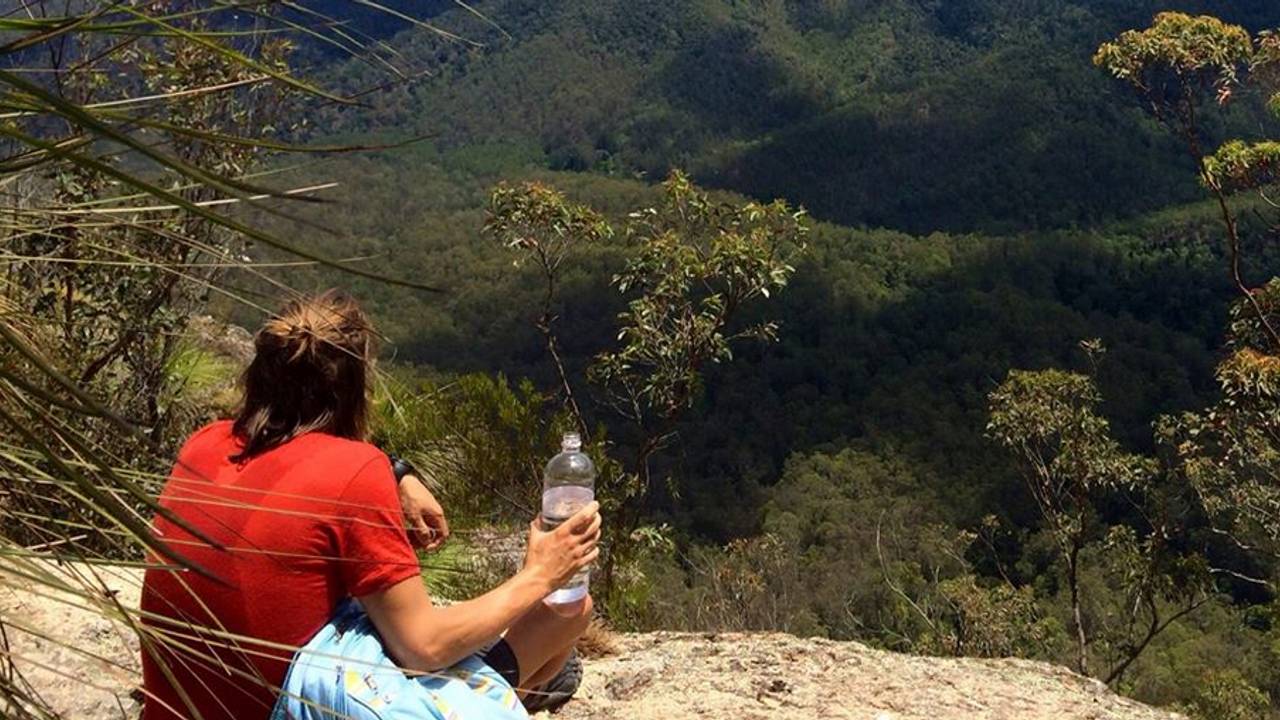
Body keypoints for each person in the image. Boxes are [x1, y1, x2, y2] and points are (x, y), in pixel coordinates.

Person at [139, 290, 599, 720]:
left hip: (178, 707)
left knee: (558, 624)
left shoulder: (204, 443)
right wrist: (541, 572)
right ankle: (509, 688)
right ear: (357, 389)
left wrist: (394, 472)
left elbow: (301, 448)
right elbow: (423, 647)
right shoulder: (353, 470)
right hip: (278, 705)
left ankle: (518, 684)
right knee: (569, 614)